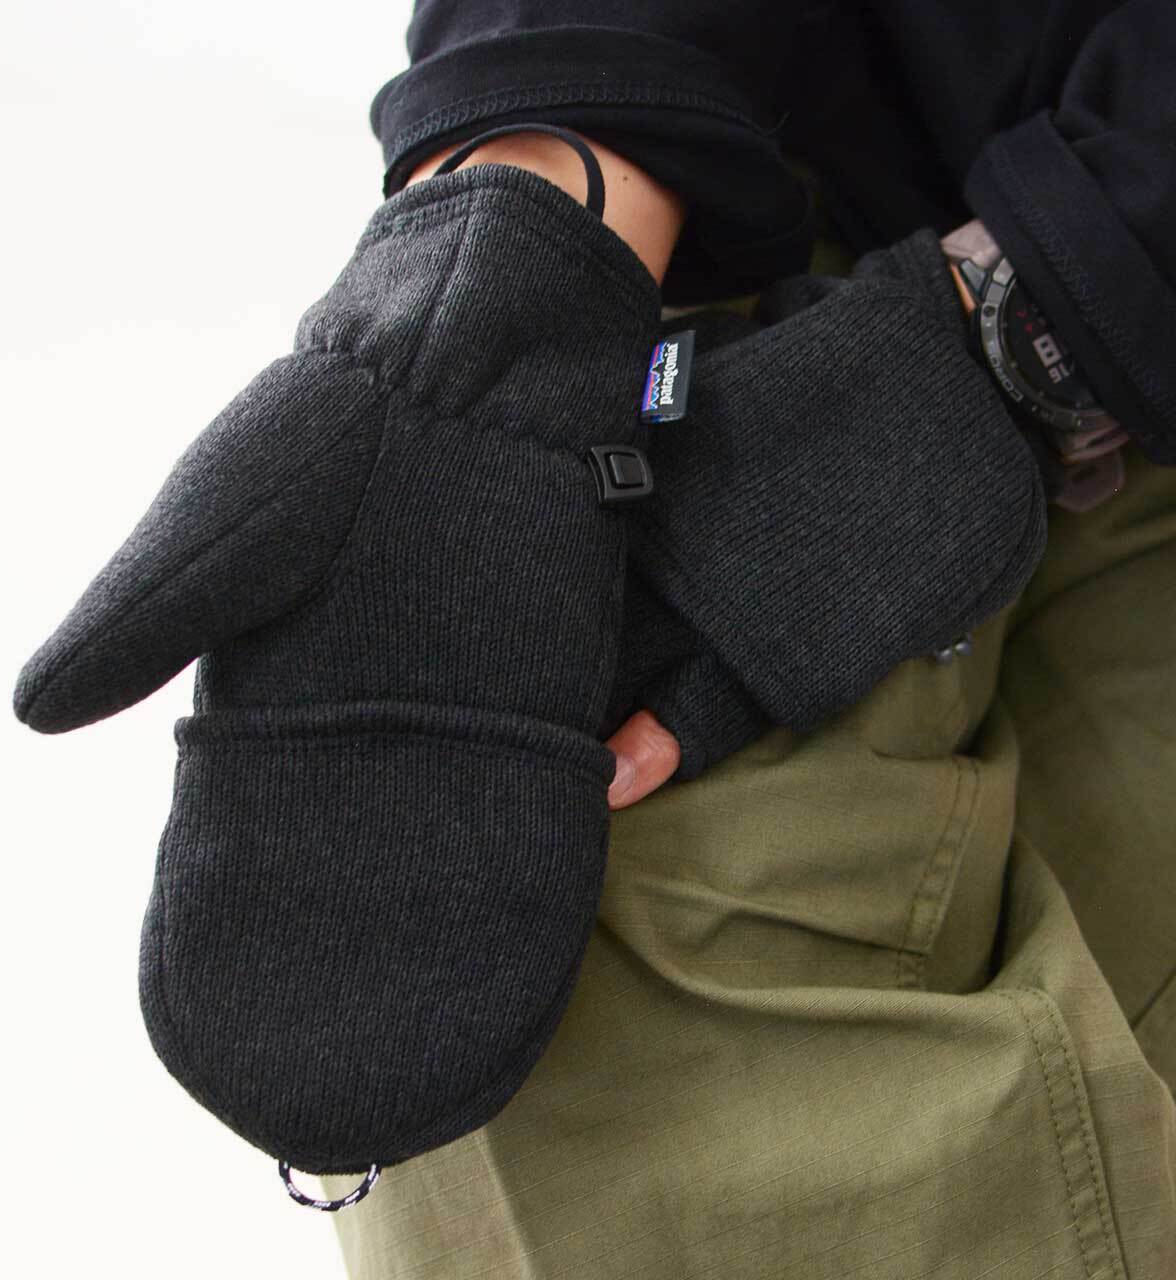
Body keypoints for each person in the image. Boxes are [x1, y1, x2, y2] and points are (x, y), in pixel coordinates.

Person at [311, 2, 1176, 1275]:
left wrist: (1022, 329)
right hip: (807, 186)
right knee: (496, 861)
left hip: (1099, 241)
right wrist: (516, 207)